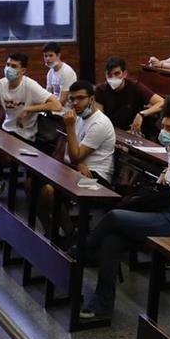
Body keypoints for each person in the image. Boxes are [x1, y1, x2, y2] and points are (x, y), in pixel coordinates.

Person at [77, 94, 170, 321]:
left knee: (115, 216)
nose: (163, 130)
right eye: (163, 125)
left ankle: (80, 253)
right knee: (111, 242)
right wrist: (169, 173)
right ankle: (102, 305)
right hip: (163, 212)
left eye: (169, 127)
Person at [0, 52, 61, 186]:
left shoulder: (30, 86)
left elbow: (56, 105)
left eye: (14, 66)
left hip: (23, 137)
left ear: (23, 71)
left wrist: (28, 109)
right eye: (7, 64)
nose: (9, 69)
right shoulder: (1, 84)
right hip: (5, 132)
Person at [38, 81, 118, 235]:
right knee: (32, 183)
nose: (75, 103)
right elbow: (70, 153)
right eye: (72, 99)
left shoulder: (99, 123)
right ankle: (51, 234)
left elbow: (74, 155)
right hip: (77, 170)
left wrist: (69, 127)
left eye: (80, 98)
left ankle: (69, 233)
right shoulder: (79, 117)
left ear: (92, 99)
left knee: (49, 191)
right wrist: (80, 162)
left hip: (96, 179)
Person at [96, 57, 165, 135]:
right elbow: (100, 118)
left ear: (124, 74)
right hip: (111, 131)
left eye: (117, 73)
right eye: (109, 75)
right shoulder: (100, 90)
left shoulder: (135, 86)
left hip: (133, 131)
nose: (113, 78)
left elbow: (162, 102)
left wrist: (141, 114)